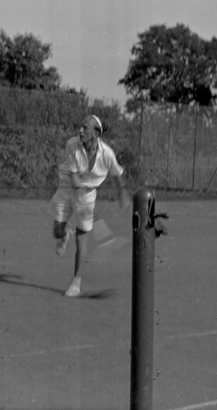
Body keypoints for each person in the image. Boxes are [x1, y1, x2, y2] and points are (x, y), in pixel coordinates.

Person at [50, 114, 130, 297]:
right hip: (67, 188)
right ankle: (65, 235)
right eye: (80, 126)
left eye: (85, 127)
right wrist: (78, 192)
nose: (80, 130)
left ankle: (76, 283)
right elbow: (74, 177)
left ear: (96, 133)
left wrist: (123, 195)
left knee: (82, 239)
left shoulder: (107, 153)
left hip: (87, 195)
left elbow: (117, 174)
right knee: (57, 231)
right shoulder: (72, 145)